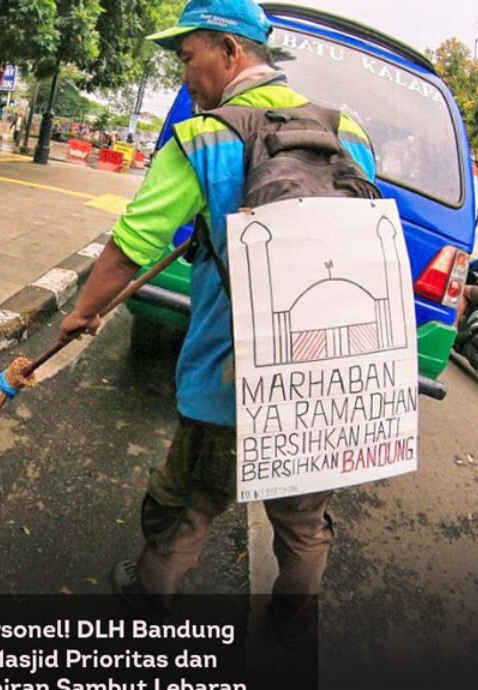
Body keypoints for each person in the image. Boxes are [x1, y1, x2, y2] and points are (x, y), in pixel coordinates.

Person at [57, 0, 377, 644]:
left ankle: (148, 598)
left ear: (230, 51)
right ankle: (289, 631)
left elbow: (132, 243)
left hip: (229, 378)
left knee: (189, 505)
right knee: (304, 522)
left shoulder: (203, 135)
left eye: (188, 56)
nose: (185, 75)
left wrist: (82, 313)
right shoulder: (349, 130)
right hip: (325, 377)